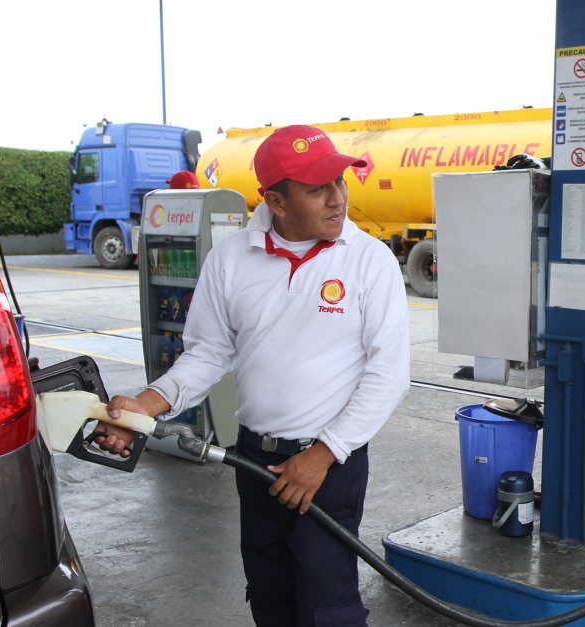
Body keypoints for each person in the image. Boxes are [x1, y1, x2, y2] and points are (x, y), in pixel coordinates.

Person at [96, 125, 411, 627]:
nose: (338, 199)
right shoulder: (231, 259)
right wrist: (148, 404)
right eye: (317, 188)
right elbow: (208, 353)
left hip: (329, 464)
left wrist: (324, 454)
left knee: (327, 608)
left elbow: (390, 373)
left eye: (339, 182)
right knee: (270, 597)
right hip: (253, 461)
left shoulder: (369, 261)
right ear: (276, 202)